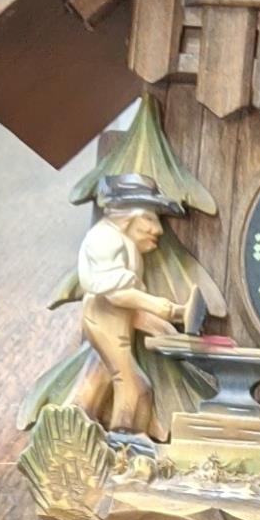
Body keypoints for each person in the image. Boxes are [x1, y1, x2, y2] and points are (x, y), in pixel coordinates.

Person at [75, 174, 186, 439]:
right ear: (126, 217)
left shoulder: (123, 244)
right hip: (104, 317)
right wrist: (163, 309)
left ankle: (73, 427)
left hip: (115, 320)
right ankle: (123, 442)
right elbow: (117, 294)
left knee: (95, 380)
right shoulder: (105, 239)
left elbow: (131, 307)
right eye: (149, 218)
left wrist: (166, 328)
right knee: (135, 386)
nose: (158, 229)